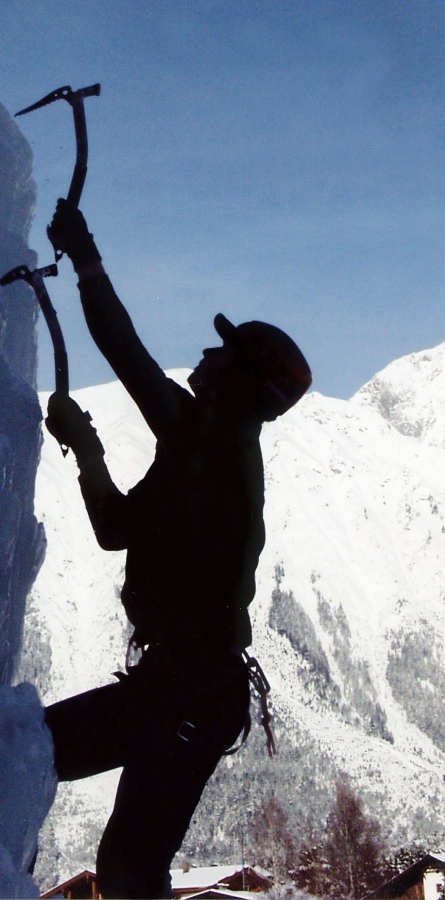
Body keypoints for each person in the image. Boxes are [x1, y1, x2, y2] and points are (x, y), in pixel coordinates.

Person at [43, 200, 312, 899]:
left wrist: (86, 257)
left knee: (45, 767)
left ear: (237, 381)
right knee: (126, 865)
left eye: (221, 350)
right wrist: (88, 446)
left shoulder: (212, 443)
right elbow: (117, 529)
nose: (205, 351)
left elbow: (124, 352)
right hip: (187, 689)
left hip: (189, 689)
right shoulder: (204, 452)